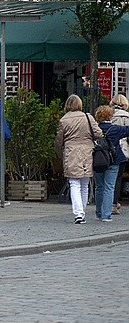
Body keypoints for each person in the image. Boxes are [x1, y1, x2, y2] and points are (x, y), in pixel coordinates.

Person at [54, 94, 103, 225]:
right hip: (87, 151)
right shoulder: (88, 117)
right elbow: (98, 133)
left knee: (74, 183)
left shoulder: (64, 120)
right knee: (85, 184)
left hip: (71, 152)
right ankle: (82, 212)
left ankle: (78, 214)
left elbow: (59, 141)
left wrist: (60, 155)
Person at [93, 105, 129, 223]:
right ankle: (106, 215)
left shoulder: (94, 129)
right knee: (109, 187)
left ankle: (99, 213)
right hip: (113, 160)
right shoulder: (115, 129)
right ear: (110, 116)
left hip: (98, 161)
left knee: (99, 187)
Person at [111, 94, 129, 216]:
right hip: (124, 150)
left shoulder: (109, 115)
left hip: (111, 149)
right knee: (118, 179)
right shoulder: (127, 117)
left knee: (110, 179)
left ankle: (110, 203)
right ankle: (114, 203)